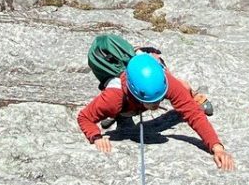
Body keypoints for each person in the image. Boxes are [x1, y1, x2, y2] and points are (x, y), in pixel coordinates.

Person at [79, 51, 236, 171]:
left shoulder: (164, 81)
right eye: (151, 102)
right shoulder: (113, 97)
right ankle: (119, 113)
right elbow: (84, 117)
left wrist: (217, 148)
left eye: (159, 99)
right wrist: (96, 136)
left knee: (183, 87)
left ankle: (192, 94)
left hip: (149, 61)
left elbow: (192, 113)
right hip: (123, 98)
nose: (157, 104)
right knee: (115, 107)